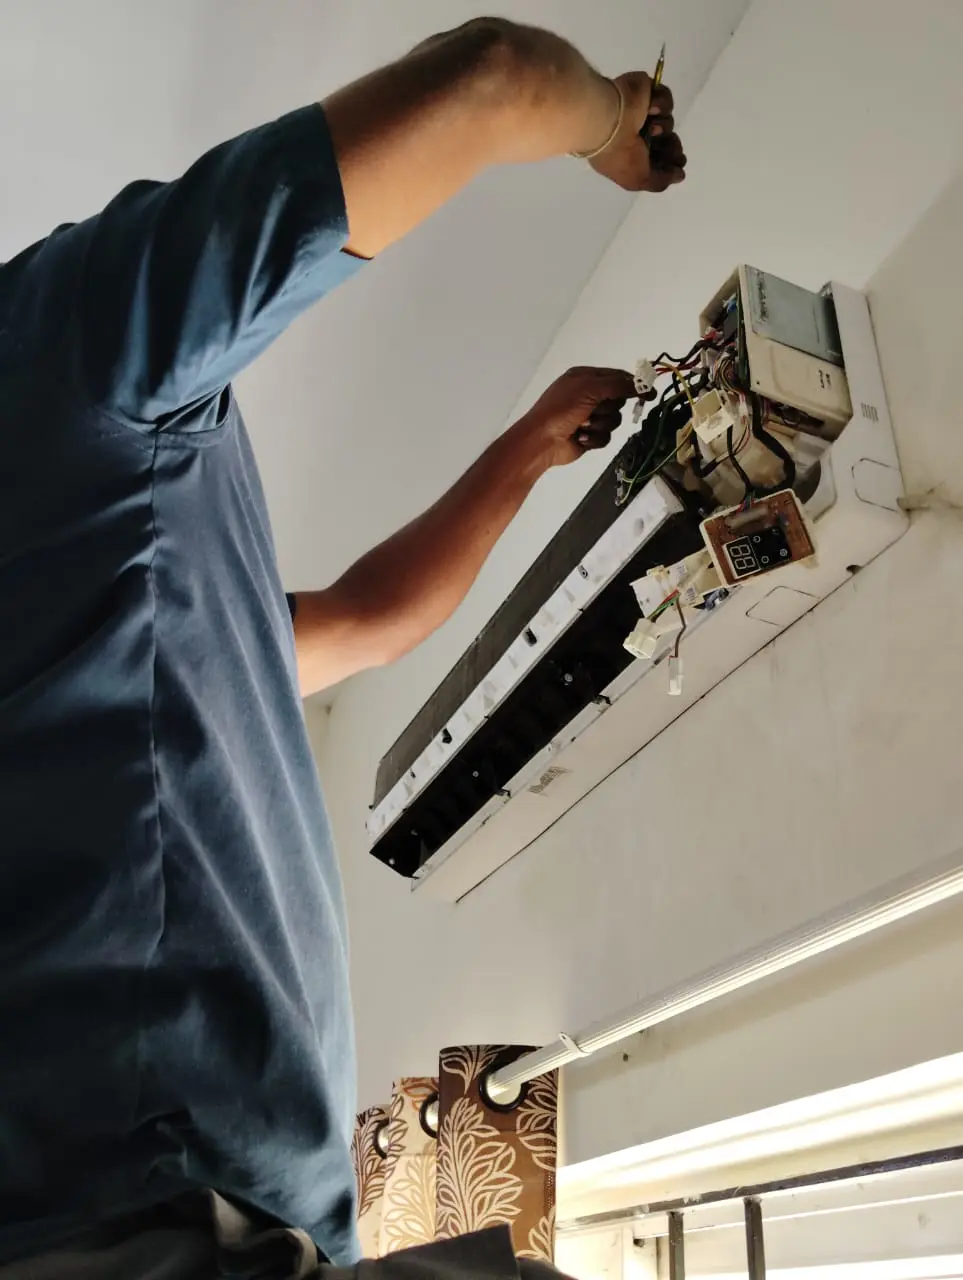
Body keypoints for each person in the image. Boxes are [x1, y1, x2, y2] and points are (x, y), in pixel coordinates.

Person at [0, 16, 686, 1278]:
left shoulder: (120, 596)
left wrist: (531, 444)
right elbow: (490, 79)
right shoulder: (61, 347)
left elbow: (370, 617)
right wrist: (614, 118)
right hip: (168, 1211)